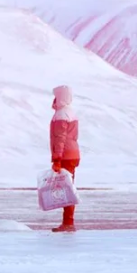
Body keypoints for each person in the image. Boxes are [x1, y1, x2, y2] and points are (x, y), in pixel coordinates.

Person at [49, 84, 80, 232]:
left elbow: (60, 138)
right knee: (68, 187)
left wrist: (57, 159)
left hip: (65, 156)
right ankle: (68, 221)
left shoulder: (61, 115)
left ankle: (68, 223)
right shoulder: (70, 113)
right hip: (72, 154)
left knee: (67, 189)